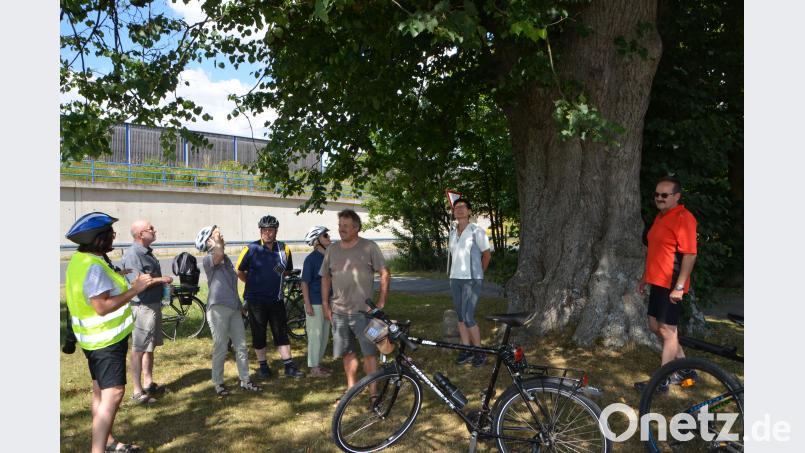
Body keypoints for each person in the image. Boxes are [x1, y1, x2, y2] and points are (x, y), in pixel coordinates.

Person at [65, 212, 170, 453]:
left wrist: (119, 279)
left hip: (94, 341)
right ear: (98, 239)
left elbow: (98, 289)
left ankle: (109, 441)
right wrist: (135, 289)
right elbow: (101, 306)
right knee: (113, 393)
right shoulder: (93, 267)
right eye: (110, 234)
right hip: (105, 341)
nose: (114, 236)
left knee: (100, 392)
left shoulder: (83, 260)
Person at [635, 176, 699, 392]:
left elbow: (690, 255)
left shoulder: (684, 217)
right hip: (657, 280)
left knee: (668, 331)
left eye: (664, 195)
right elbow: (656, 251)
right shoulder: (661, 217)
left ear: (677, 196)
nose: (659, 198)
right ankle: (686, 370)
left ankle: (661, 381)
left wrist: (679, 287)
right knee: (656, 327)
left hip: (672, 282)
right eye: (656, 194)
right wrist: (645, 276)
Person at [321, 209, 390, 402]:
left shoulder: (369, 247)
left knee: (369, 354)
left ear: (356, 228)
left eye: (345, 226)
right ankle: (351, 388)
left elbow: (385, 272)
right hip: (339, 313)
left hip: (364, 313)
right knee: (347, 352)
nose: (341, 229)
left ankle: (373, 392)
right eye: (340, 225)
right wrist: (326, 304)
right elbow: (325, 277)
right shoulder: (332, 250)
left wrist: (381, 302)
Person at [195, 225, 263, 396]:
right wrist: (217, 239)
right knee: (221, 346)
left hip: (233, 308)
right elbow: (217, 254)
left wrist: (239, 305)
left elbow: (231, 286)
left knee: (241, 346)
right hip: (217, 309)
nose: (221, 236)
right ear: (209, 241)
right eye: (217, 235)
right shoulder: (209, 260)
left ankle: (245, 381)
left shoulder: (226, 259)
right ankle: (218, 383)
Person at [236, 214, 305, 379]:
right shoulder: (250, 249)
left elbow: (287, 270)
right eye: (265, 230)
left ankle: (289, 365)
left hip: (276, 299)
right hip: (256, 301)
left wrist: (276, 274)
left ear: (276, 231)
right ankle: (263, 366)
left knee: (281, 333)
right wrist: (252, 284)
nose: (268, 233)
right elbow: (239, 271)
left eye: (271, 230)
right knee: (258, 333)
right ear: (260, 231)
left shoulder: (284, 249)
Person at [121, 219, 170, 404]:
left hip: (153, 304)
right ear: (140, 234)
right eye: (151, 228)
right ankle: (136, 391)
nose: (154, 230)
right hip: (142, 307)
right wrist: (161, 279)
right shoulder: (134, 254)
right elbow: (136, 283)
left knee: (150, 347)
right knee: (139, 349)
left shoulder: (146, 252)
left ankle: (148, 384)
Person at [447, 198, 492, 367]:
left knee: (468, 316)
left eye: (462, 207)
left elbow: (486, 255)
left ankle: (480, 352)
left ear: (469, 211)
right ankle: (466, 350)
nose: (458, 210)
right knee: (460, 317)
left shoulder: (476, 231)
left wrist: (478, 275)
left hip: (471, 280)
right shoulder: (452, 232)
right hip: (455, 279)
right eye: (456, 207)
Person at [301, 226, 333, 377]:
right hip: (315, 302)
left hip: (327, 302)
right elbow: (304, 282)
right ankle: (314, 368)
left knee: (325, 335)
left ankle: (318, 364)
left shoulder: (328, 257)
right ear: (317, 240)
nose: (329, 238)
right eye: (325, 236)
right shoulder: (311, 259)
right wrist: (307, 303)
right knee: (315, 335)